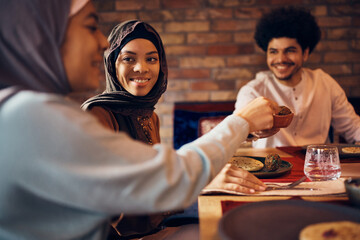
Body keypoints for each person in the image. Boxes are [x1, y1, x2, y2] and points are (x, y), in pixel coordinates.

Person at [0, 0, 276, 239]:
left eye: (152, 59)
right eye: (90, 25)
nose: (103, 42)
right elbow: (170, 180)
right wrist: (241, 121)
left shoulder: (146, 114)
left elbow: (156, 182)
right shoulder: (34, 116)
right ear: (44, 33)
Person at [82, 20, 267, 239]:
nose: (141, 68)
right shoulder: (96, 115)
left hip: (160, 225)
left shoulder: (150, 115)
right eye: (128, 59)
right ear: (112, 63)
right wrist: (199, 184)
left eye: (151, 59)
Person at [234, 6, 360, 148]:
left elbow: (354, 128)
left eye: (290, 50)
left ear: (305, 53)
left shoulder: (325, 83)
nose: (280, 59)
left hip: (318, 166)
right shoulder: (253, 91)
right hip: (270, 167)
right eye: (274, 51)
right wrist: (250, 131)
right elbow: (237, 131)